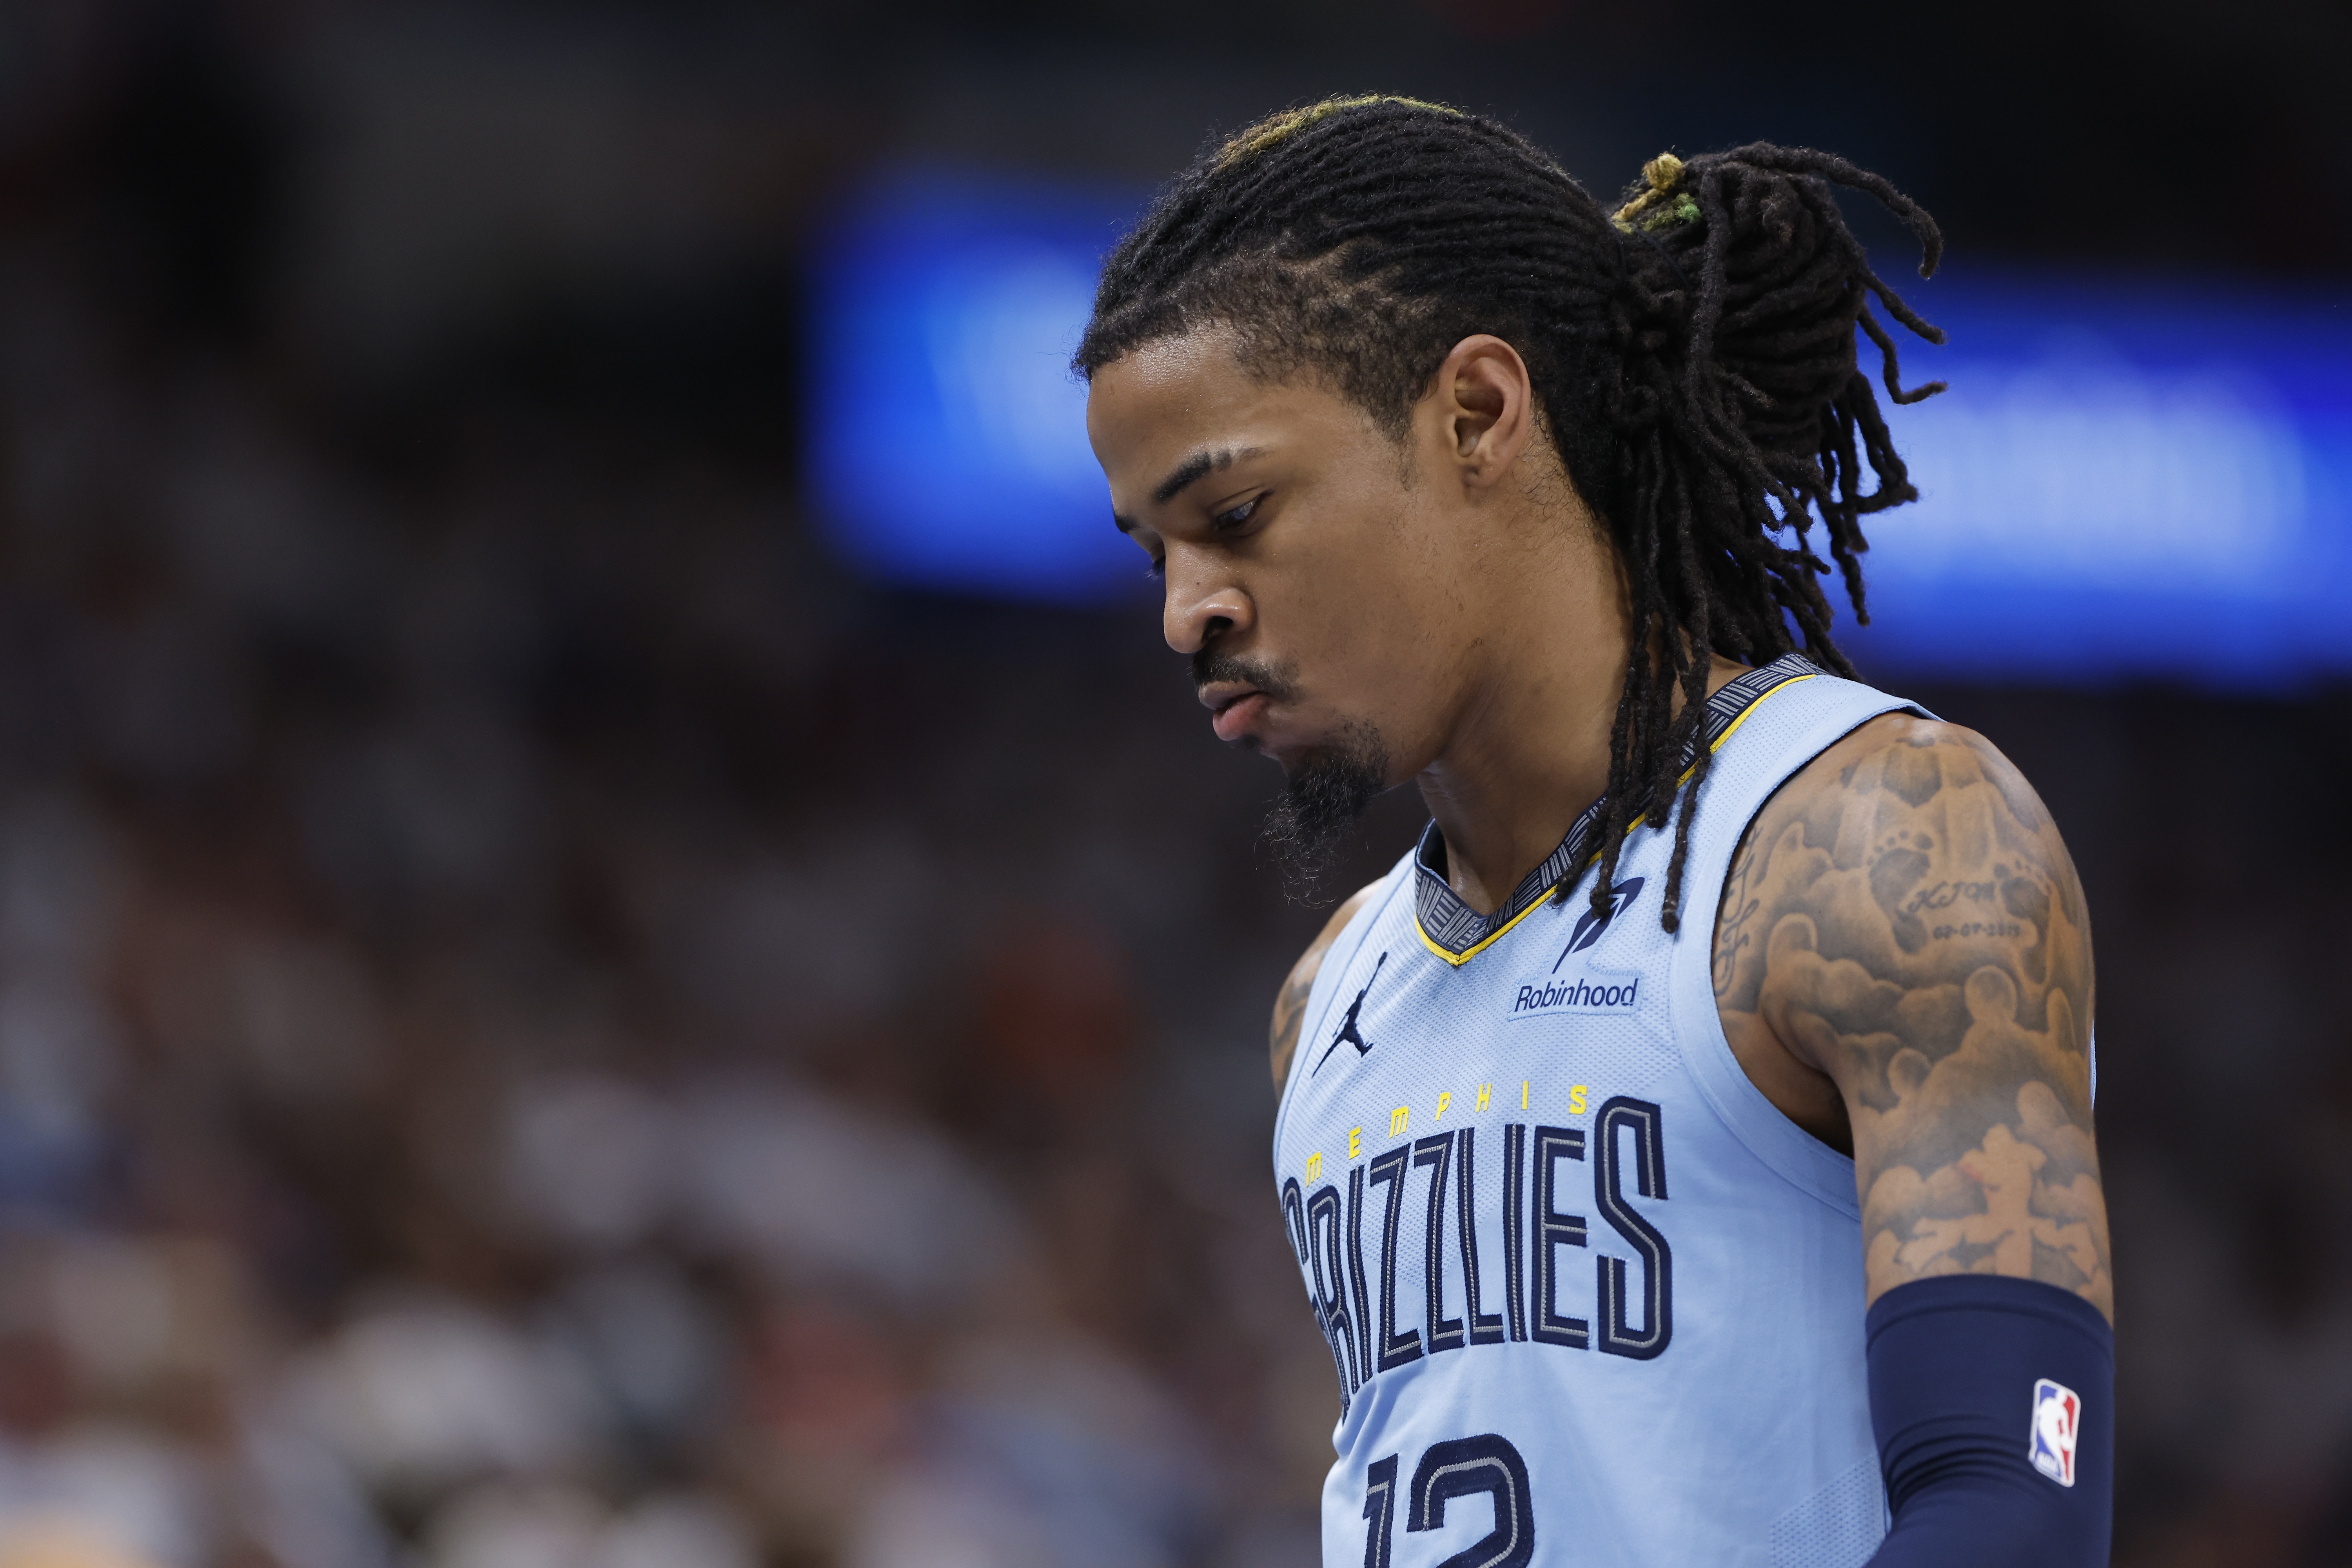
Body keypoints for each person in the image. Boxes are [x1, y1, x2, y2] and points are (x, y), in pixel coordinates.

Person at [1079, 97, 2111, 1568]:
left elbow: (2012, 1500)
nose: (1189, 613)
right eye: (1157, 557)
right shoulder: (1327, 999)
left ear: (1478, 413)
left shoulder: (1871, 837)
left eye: (1235, 514)